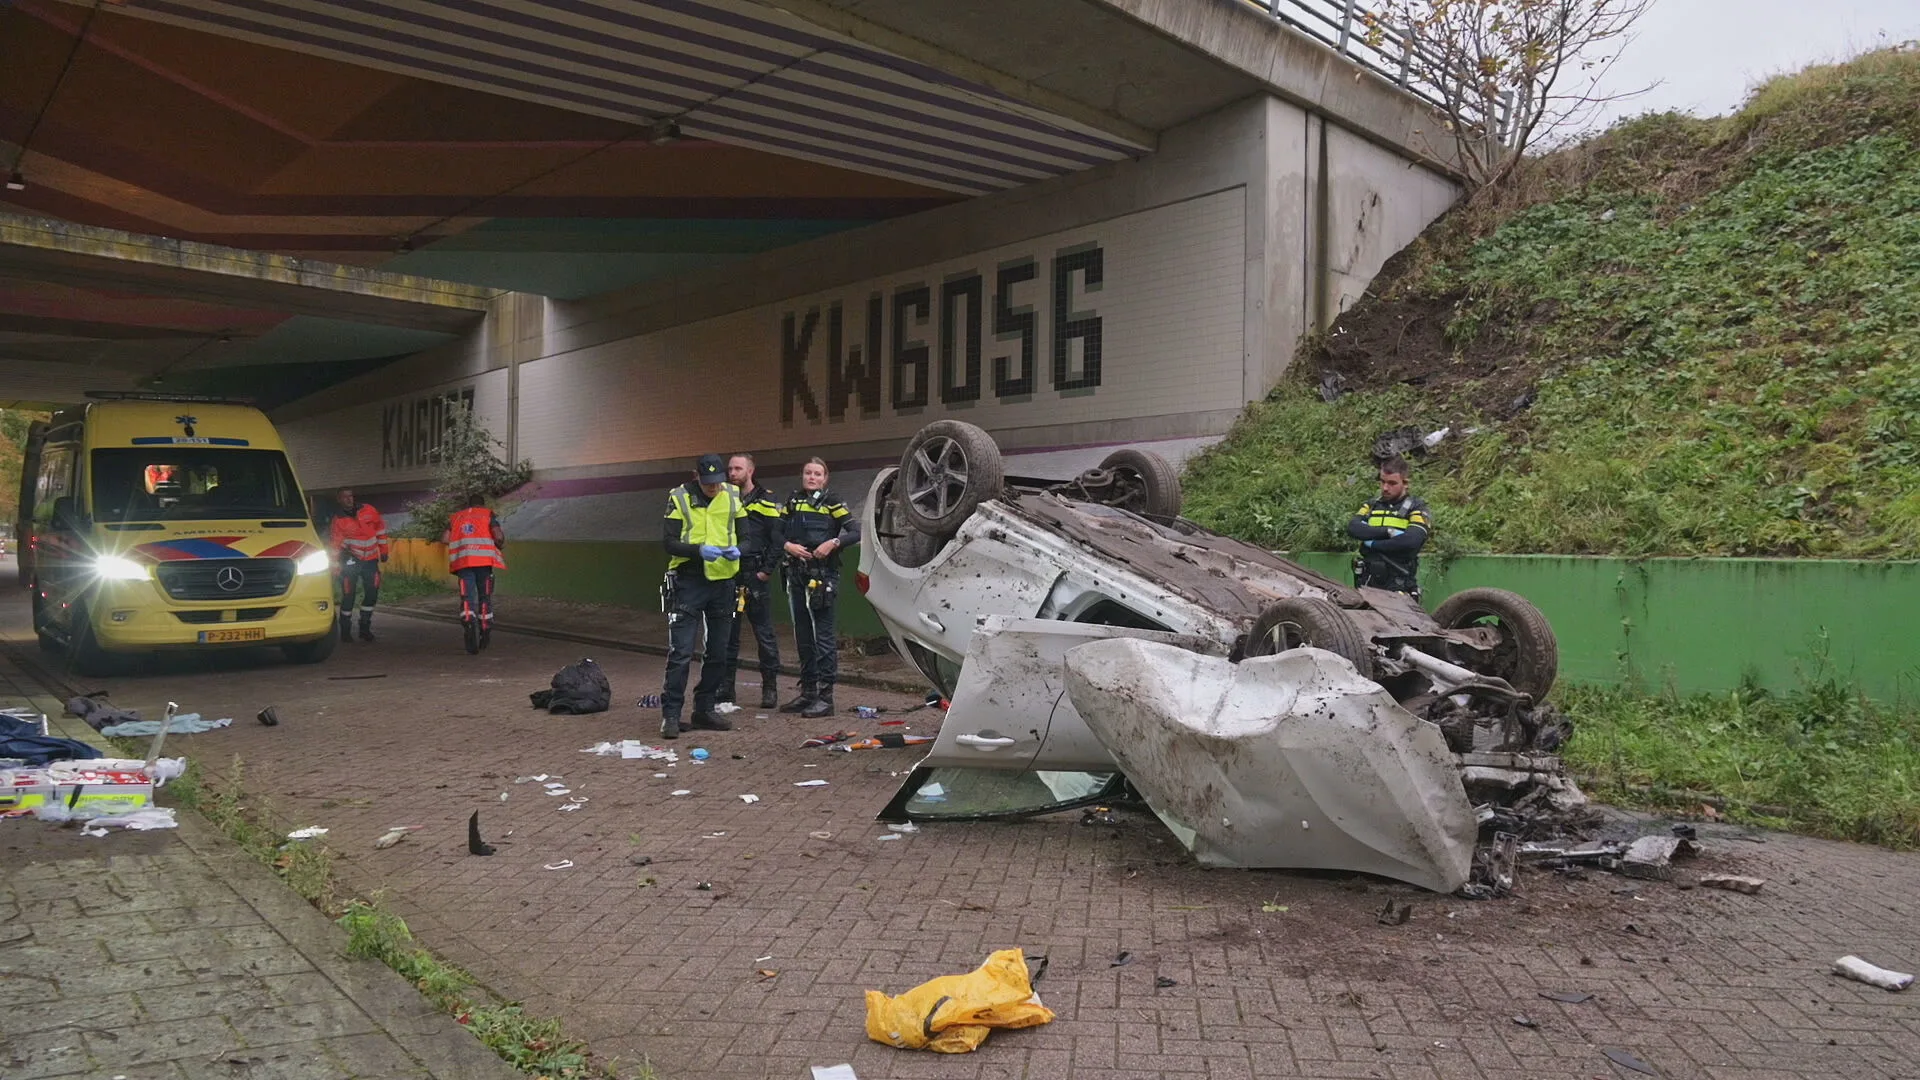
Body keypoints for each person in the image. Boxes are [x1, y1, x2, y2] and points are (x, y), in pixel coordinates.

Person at [659, 454, 746, 739]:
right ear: (696, 476)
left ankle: (704, 709)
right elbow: (669, 542)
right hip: (689, 580)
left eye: (717, 482)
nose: (713, 488)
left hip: (723, 581)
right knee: (681, 652)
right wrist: (698, 550)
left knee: (719, 652)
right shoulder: (680, 497)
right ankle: (671, 715)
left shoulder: (733, 495)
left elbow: (747, 536)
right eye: (708, 483)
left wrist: (740, 550)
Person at [777, 457, 860, 719]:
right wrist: (787, 546)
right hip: (795, 574)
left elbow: (856, 531)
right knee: (802, 635)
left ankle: (826, 699)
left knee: (823, 638)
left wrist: (833, 542)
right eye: (807, 473)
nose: (811, 477)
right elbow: (775, 532)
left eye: (817, 474)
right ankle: (808, 693)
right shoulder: (793, 501)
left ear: (825, 478)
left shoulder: (832, 502)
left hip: (822, 577)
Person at [719, 453, 783, 710]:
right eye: (730, 469)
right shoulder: (724, 499)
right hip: (729, 574)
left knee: (764, 635)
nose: (732, 473)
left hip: (755, 575)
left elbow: (777, 537)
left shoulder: (766, 499)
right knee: (728, 636)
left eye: (738, 469)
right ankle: (726, 688)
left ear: (750, 471)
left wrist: (766, 570)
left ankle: (770, 689)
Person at [1347, 456, 1430, 597]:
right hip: (1368, 581)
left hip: (1399, 583)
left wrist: (1371, 543)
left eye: (1392, 483)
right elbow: (1353, 528)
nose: (1385, 488)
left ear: (1405, 483)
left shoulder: (1416, 508)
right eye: (1382, 482)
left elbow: (1411, 541)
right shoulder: (1372, 505)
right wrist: (1388, 532)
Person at [443, 493, 507, 647]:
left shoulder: (456, 517)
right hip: (484, 564)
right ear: (482, 504)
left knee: (467, 597)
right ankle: (485, 627)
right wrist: (500, 544)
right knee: (485, 597)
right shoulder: (488, 515)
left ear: (469, 505)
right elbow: (498, 536)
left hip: (464, 564)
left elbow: (445, 539)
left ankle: (468, 619)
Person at [328, 487, 390, 642]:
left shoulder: (369, 510)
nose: (349, 499)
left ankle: (364, 627)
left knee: (372, 592)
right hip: (351, 560)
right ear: (339, 500)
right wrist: (335, 566)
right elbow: (335, 545)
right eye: (345, 497)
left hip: (370, 560)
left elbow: (380, 531)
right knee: (349, 595)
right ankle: (346, 631)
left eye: (350, 496)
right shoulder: (338, 520)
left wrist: (384, 550)